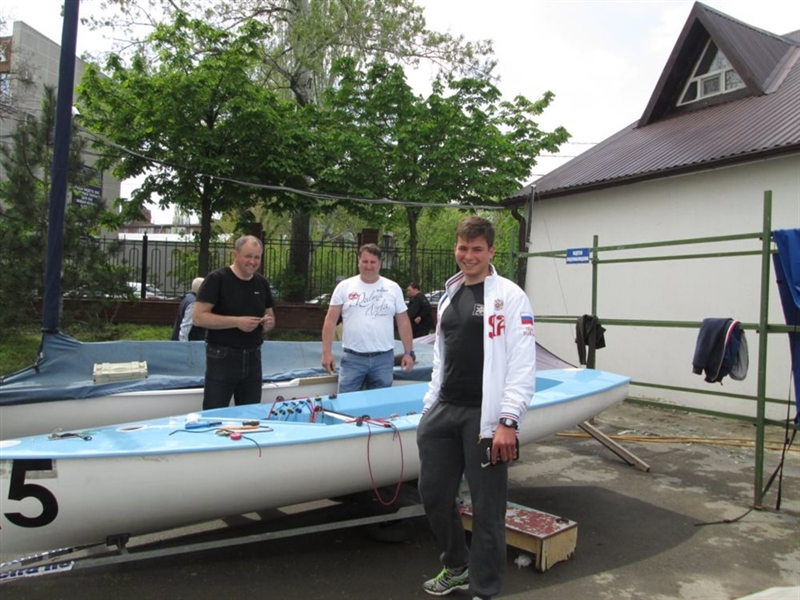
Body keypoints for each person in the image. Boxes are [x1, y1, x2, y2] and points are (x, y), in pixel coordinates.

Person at [416, 216, 537, 600]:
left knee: (487, 510)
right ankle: (457, 565)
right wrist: (428, 409)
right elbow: (441, 358)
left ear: (491, 251)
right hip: (444, 412)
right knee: (434, 495)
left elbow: (523, 363)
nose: (468, 256)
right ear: (456, 248)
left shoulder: (510, 296)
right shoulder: (449, 296)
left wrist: (508, 421)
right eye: (463, 248)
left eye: (477, 249)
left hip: (486, 419)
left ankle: (485, 589)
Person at [193, 235, 276, 410]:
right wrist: (236, 322)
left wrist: (268, 323)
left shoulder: (261, 283)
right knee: (214, 413)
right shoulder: (217, 279)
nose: (253, 262)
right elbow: (199, 317)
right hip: (222, 356)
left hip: (253, 357)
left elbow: (270, 316)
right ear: (235, 255)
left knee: (251, 414)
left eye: (257, 257)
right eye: (248, 256)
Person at [321, 243, 415, 393]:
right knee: (347, 402)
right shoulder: (344, 287)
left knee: (379, 403)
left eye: (373, 262)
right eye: (365, 261)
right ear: (358, 262)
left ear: (380, 263)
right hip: (352, 359)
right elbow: (330, 321)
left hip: (383, 360)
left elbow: (403, 322)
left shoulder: (393, 288)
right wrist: (326, 353)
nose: (369, 266)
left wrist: (408, 353)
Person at [172, 277, 206, 341]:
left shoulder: (188, 298)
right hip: (191, 343)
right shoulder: (193, 304)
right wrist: (184, 345)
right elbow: (185, 327)